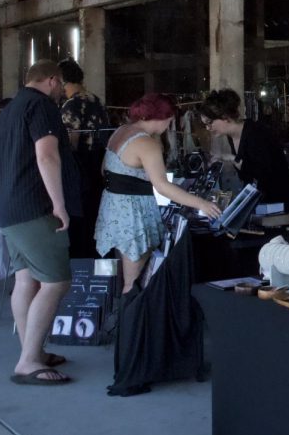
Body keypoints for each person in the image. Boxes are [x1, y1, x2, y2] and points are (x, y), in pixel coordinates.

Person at [0, 60, 82, 385]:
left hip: (7, 210)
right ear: (52, 80)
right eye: (61, 84)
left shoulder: (4, 114)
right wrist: (59, 203)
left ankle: (32, 351)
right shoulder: (42, 107)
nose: (62, 90)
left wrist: (8, 190)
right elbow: (47, 155)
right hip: (36, 209)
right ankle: (27, 362)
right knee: (56, 282)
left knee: (26, 280)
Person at [95, 94, 221, 293]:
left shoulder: (120, 132)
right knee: (135, 282)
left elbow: (104, 170)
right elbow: (162, 185)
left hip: (113, 208)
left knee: (122, 279)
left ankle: (123, 320)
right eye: (170, 120)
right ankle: (132, 322)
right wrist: (201, 203)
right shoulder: (147, 143)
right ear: (163, 116)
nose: (169, 125)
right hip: (134, 213)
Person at [200, 88, 289, 214]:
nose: (208, 128)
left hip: (280, 200)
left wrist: (231, 158)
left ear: (225, 117)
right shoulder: (232, 136)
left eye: (209, 123)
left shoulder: (256, 133)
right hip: (263, 199)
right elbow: (247, 175)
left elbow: (263, 173)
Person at [58, 58, 110, 259]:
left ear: (62, 80)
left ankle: (80, 263)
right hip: (100, 163)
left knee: (79, 219)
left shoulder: (71, 105)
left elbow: (71, 142)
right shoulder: (96, 100)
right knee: (94, 216)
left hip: (80, 167)